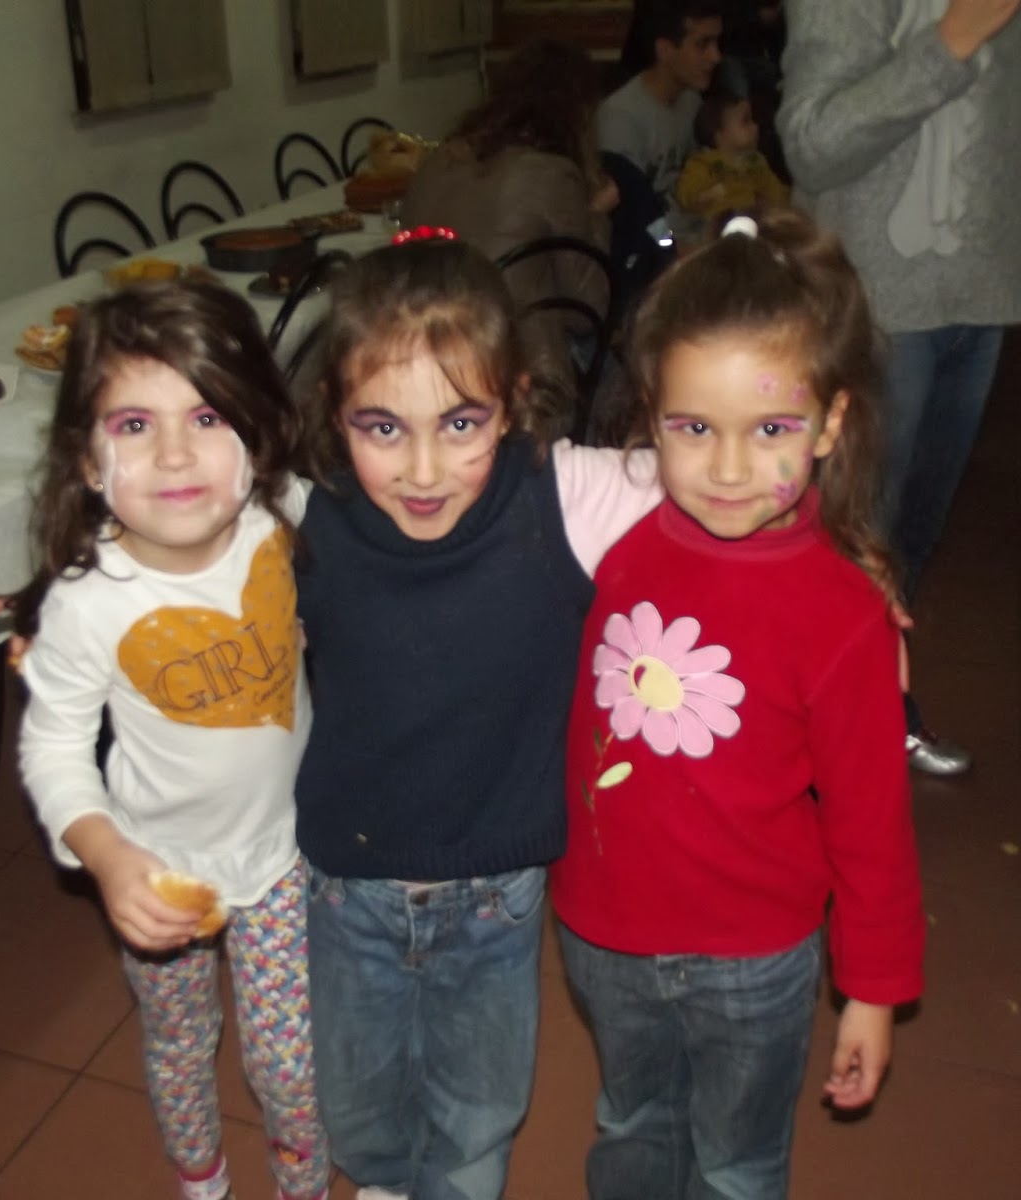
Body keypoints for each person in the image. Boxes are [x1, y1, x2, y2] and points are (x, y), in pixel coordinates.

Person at [551, 210, 926, 1199]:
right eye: (693, 429)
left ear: (830, 425)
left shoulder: (844, 615)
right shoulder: (612, 534)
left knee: (736, 1165)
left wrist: (873, 989)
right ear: (650, 417)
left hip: (755, 961)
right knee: (632, 1125)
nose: (726, 469)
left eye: (771, 430)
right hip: (603, 934)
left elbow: (872, 824)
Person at [294, 235, 663, 1200]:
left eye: (462, 423)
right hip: (346, 889)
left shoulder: (563, 494)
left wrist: (844, 569)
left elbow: (723, 478)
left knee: (478, 1116)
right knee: (357, 1110)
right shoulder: (305, 514)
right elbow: (182, 534)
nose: (424, 470)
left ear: (515, 399)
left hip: (497, 894)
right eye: (382, 427)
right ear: (334, 412)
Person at [14, 283, 329, 1200]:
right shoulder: (90, 605)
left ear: (257, 436)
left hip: (285, 857)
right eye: (134, 425)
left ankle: (304, 1186)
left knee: (293, 1065)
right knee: (181, 1039)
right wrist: (108, 858)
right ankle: (202, 1180)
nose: (176, 453)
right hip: (160, 871)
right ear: (87, 459)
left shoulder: (281, 520)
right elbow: (52, 750)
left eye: (206, 415)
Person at [776, 0, 1021, 774]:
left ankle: (869, 702)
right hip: (874, 305)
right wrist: (954, 39)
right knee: (845, 536)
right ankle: (805, 734)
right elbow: (812, 144)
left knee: (905, 542)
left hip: (983, 297)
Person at [399, 38, 618, 407]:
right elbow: (589, 312)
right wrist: (597, 213)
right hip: (521, 382)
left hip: (424, 360)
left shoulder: (436, 162)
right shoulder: (552, 174)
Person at [599, 0, 726, 241]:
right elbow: (630, 216)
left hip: (698, 237)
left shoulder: (691, 101)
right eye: (702, 45)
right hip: (658, 249)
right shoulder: (621, 119)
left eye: (717, 43)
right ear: (665, 50)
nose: (716, 57)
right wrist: (671, 248)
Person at [675, 89, 789, 222]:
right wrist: (703, 196)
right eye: (745, 121)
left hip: (753, 224)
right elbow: (687, 195)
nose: (755, 126)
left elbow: (775, 192)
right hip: (718, 227)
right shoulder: (703, 164)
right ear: (720, 135)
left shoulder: (756, 161)